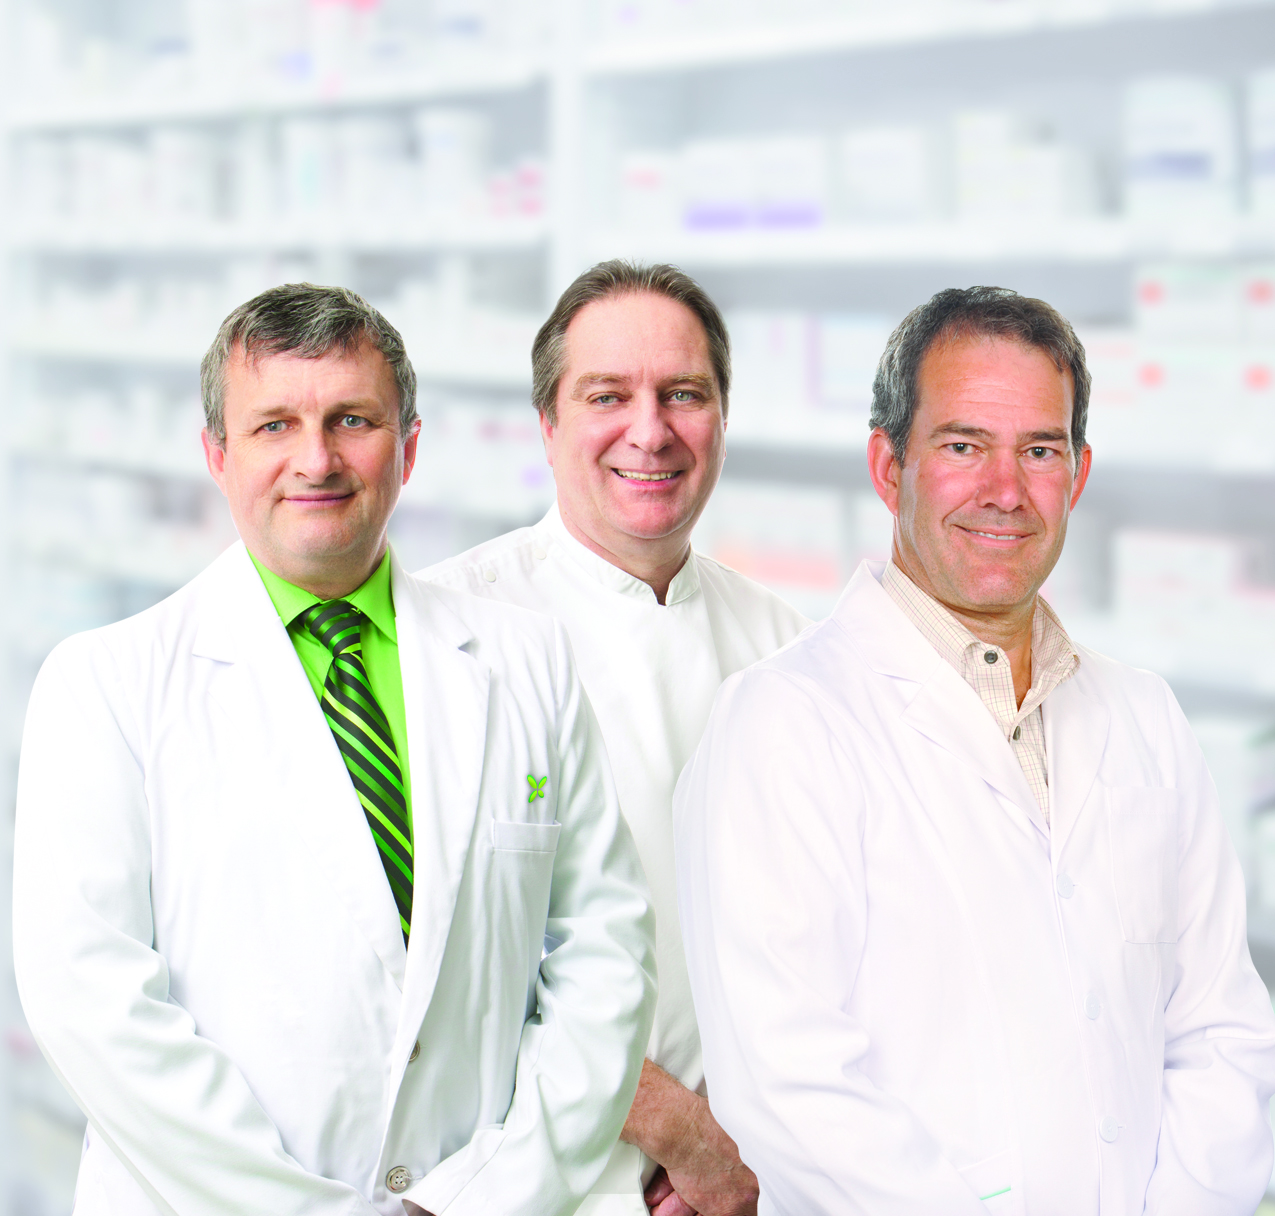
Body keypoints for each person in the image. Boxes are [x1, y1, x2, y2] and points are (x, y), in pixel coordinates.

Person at [13, 283, 656, 1216]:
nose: (315, 459)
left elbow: (606, 952)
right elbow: (92, 1005)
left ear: (409, 447)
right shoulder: (105, 686)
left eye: (352, 419)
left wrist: (481, 1198)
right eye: (273, 424)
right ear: (217, 454)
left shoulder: (527, 662)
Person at [674, 286, 1275, 1213]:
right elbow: (789, 1087)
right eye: (962, 446)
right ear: (888, 467)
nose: (1005, 489)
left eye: (1039, 450)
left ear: (1077, 473)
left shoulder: (1144, 717)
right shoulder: (778, 724)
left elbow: (1222, 1032)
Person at [421, 261, 807, 1215]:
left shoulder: (783, 643)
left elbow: (818, 940)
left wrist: (736, 1143)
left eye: (684, 394)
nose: (650, 430)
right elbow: (437, 965)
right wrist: (677, 1128)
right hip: (517, 1183)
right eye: (607, 396)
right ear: (546, 424)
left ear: (722, 417)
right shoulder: (450, 632)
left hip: (731, 1182)